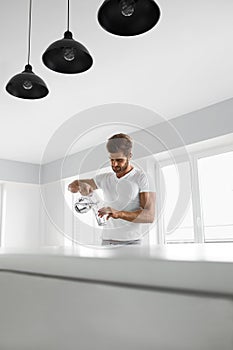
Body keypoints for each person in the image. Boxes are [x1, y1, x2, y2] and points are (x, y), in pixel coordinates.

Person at [68, 133, 156, 245]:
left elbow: (149, 216)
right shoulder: (104, 178)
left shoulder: (142, 178)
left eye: (119, 160)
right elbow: (73, 185)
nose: (114, 164)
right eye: (111, 160)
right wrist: (79, 186)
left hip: (132, 242)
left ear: (129, 156)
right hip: (106, 241)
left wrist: (119, 213)